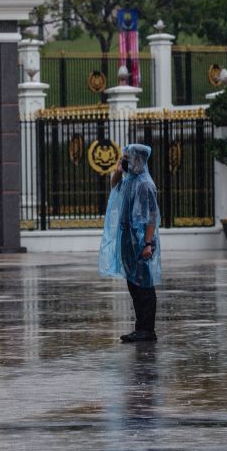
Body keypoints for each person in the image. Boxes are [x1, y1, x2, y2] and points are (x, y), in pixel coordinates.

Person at [99, 144, 161, 342]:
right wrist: (118, 169)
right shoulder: (130, 180)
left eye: (129, 157)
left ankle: (147, 330)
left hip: (142, 242)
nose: (126, 161)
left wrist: (147, 244)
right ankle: (140, 328)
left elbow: (152, 216)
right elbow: (113, 184)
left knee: (144, 287)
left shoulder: (145, 184)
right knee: (134, 285)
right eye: (124, 157)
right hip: (129, 241)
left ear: (139, 160)